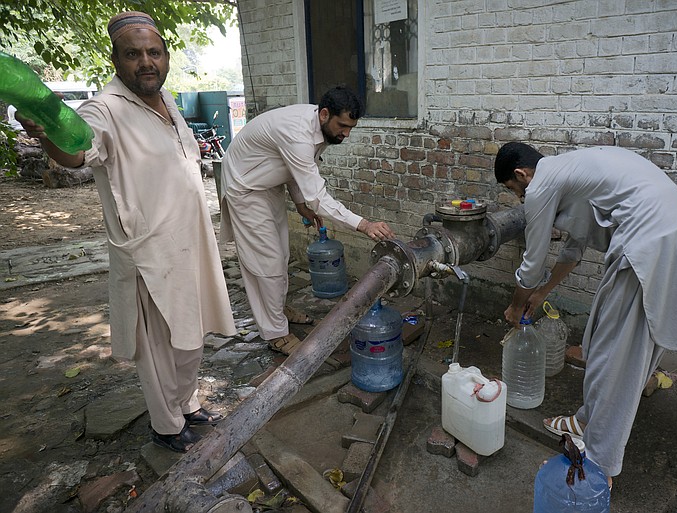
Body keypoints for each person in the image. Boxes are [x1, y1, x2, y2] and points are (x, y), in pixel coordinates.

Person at [16, 11, 235, 453]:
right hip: (148, 251)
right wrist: (47, 136)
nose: (145, 62)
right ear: (116, 60)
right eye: (133, 54)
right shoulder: (104, 109)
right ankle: (167, 425)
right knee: (157, 346)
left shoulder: (167, 101)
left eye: (153, 52)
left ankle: (187, 402)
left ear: (166, 56)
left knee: (191, 334)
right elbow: (78, 152)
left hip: (190, 243)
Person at [494, 142, 677, 486]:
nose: (518, 198)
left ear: (522, 175)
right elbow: (573, 249)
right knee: (610, 342)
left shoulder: (542, 185)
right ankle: (586, 421)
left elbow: (531, 266)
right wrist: (544, 293)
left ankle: (597, 464)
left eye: (513, 189)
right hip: (673, 233)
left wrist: (517, 305)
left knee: (619, 356)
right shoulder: (572, 173)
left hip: (651, 241)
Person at [219, 86, 395, 355]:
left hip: (267, 184)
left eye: (351, 128)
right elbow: (319, 198)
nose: (346, 134)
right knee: (266, 262)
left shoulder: (319, 128)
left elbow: (297, 169)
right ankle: (275, 333)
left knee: (280, 256)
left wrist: (300, 204)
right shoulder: (297, 133)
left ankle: (275, 308)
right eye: (343, 126)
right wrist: (364, 224)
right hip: (245, 187)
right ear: (325, 114)